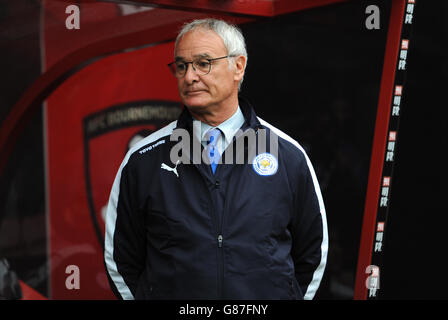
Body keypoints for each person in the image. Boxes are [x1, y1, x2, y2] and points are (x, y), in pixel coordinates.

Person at [104, 18, 328, 300]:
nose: (189, 77)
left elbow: (313, 255)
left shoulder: (287, 155)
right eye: (182, 66)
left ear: (238, 67)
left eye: (203, 63)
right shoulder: (143, 160)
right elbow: (120, 260)